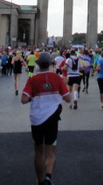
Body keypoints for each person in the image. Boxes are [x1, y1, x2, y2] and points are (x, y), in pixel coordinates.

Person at [21, 51, 71, 185]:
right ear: (50, 64)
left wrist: (34, 96)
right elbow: (67, 98)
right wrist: (64, 86)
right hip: (52, 119)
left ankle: (40, 180)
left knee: (38, 150)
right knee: (50, 151)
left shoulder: (32, 80)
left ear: (38, 65)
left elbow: (24, 99)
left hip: (36, 119)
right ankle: (49, 176)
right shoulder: (57, 78)